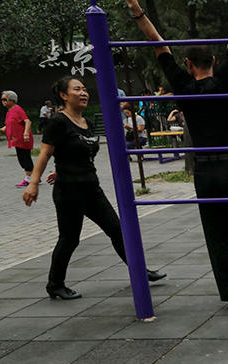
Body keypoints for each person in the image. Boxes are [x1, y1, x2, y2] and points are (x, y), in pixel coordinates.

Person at [121, 0, 228, 308]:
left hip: (205, 171)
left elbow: (159, 45)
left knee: (216, 232)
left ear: (187, 64)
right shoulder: (224, 80)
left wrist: (135, 7)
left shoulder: (182, 85)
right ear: (212, 61)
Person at [22, 76, 166, 300]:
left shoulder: (86, 122)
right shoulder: (58, 121)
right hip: (69, 191)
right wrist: (33, 184)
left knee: (117, 229)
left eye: (84, 89)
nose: (83, 93)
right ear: (63, 95)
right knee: (69, 239)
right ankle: (55, 284)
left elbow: (79, 152)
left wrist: (61, 168)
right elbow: (45, 153)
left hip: (91, 188)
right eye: (77, 89)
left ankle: (140, 271)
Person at [1, 91, 35, 187]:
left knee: (25, 158)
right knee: (22, 159)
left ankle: (28, 179)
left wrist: (26, 134)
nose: (3, 101)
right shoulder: (9, 111)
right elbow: (9, 124)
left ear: (12, 100)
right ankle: (35, 177)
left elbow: (28, 121)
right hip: (16, 139)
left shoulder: (17, 109)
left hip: (23, 139)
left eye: (5, 99)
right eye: (2, 99)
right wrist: (2, 129)